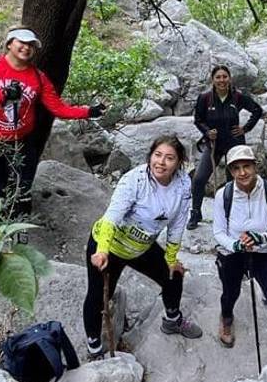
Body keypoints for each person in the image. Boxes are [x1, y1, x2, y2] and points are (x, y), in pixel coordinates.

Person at [83, 135, 202, 358]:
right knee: (98, 297)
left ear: (179, 162)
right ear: (150, 156)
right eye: (157, 155)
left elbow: (177, 223)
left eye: (169, 158)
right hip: (110, 246)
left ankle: (172, 319)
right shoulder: (134, 181)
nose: (161, 162)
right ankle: (94, 348)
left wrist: (171, 258)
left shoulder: (183, 184)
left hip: (140, 247)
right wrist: (102, 250)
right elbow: (111, 218)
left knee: (173, 275)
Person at [0, 27, 104, 215]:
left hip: (21, 142)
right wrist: (3, 95)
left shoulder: (38, 78)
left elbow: (58, 108)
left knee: (23, 190)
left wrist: (88, 111)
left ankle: (21, 225)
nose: (26, 47)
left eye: (31, 45)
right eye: (22, 42)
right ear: (9, 44)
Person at [212, 145, 267, 355]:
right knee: (230, 294)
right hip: (233, 255)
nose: (242, 173)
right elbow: (219, 232)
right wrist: (235, 245)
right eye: (236, 168)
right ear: (230, 171)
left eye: (247, 166)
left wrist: (261, 238)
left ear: (255, 166)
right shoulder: (224, 195)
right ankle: (226, 318)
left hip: (264, 254)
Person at [187, 65, 263, 229]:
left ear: (229, 78)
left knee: (233, 181)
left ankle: (232, 214)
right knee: (199, 179)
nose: (222, 80)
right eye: (218, 77)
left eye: (224, 76)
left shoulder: (237, 97)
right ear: (213, 80)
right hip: (213, 144)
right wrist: (207, 132)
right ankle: (195, 212)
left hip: (234, 145)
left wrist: (245, 128)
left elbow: (257, 110)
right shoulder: (205, 98)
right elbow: (198, 120)